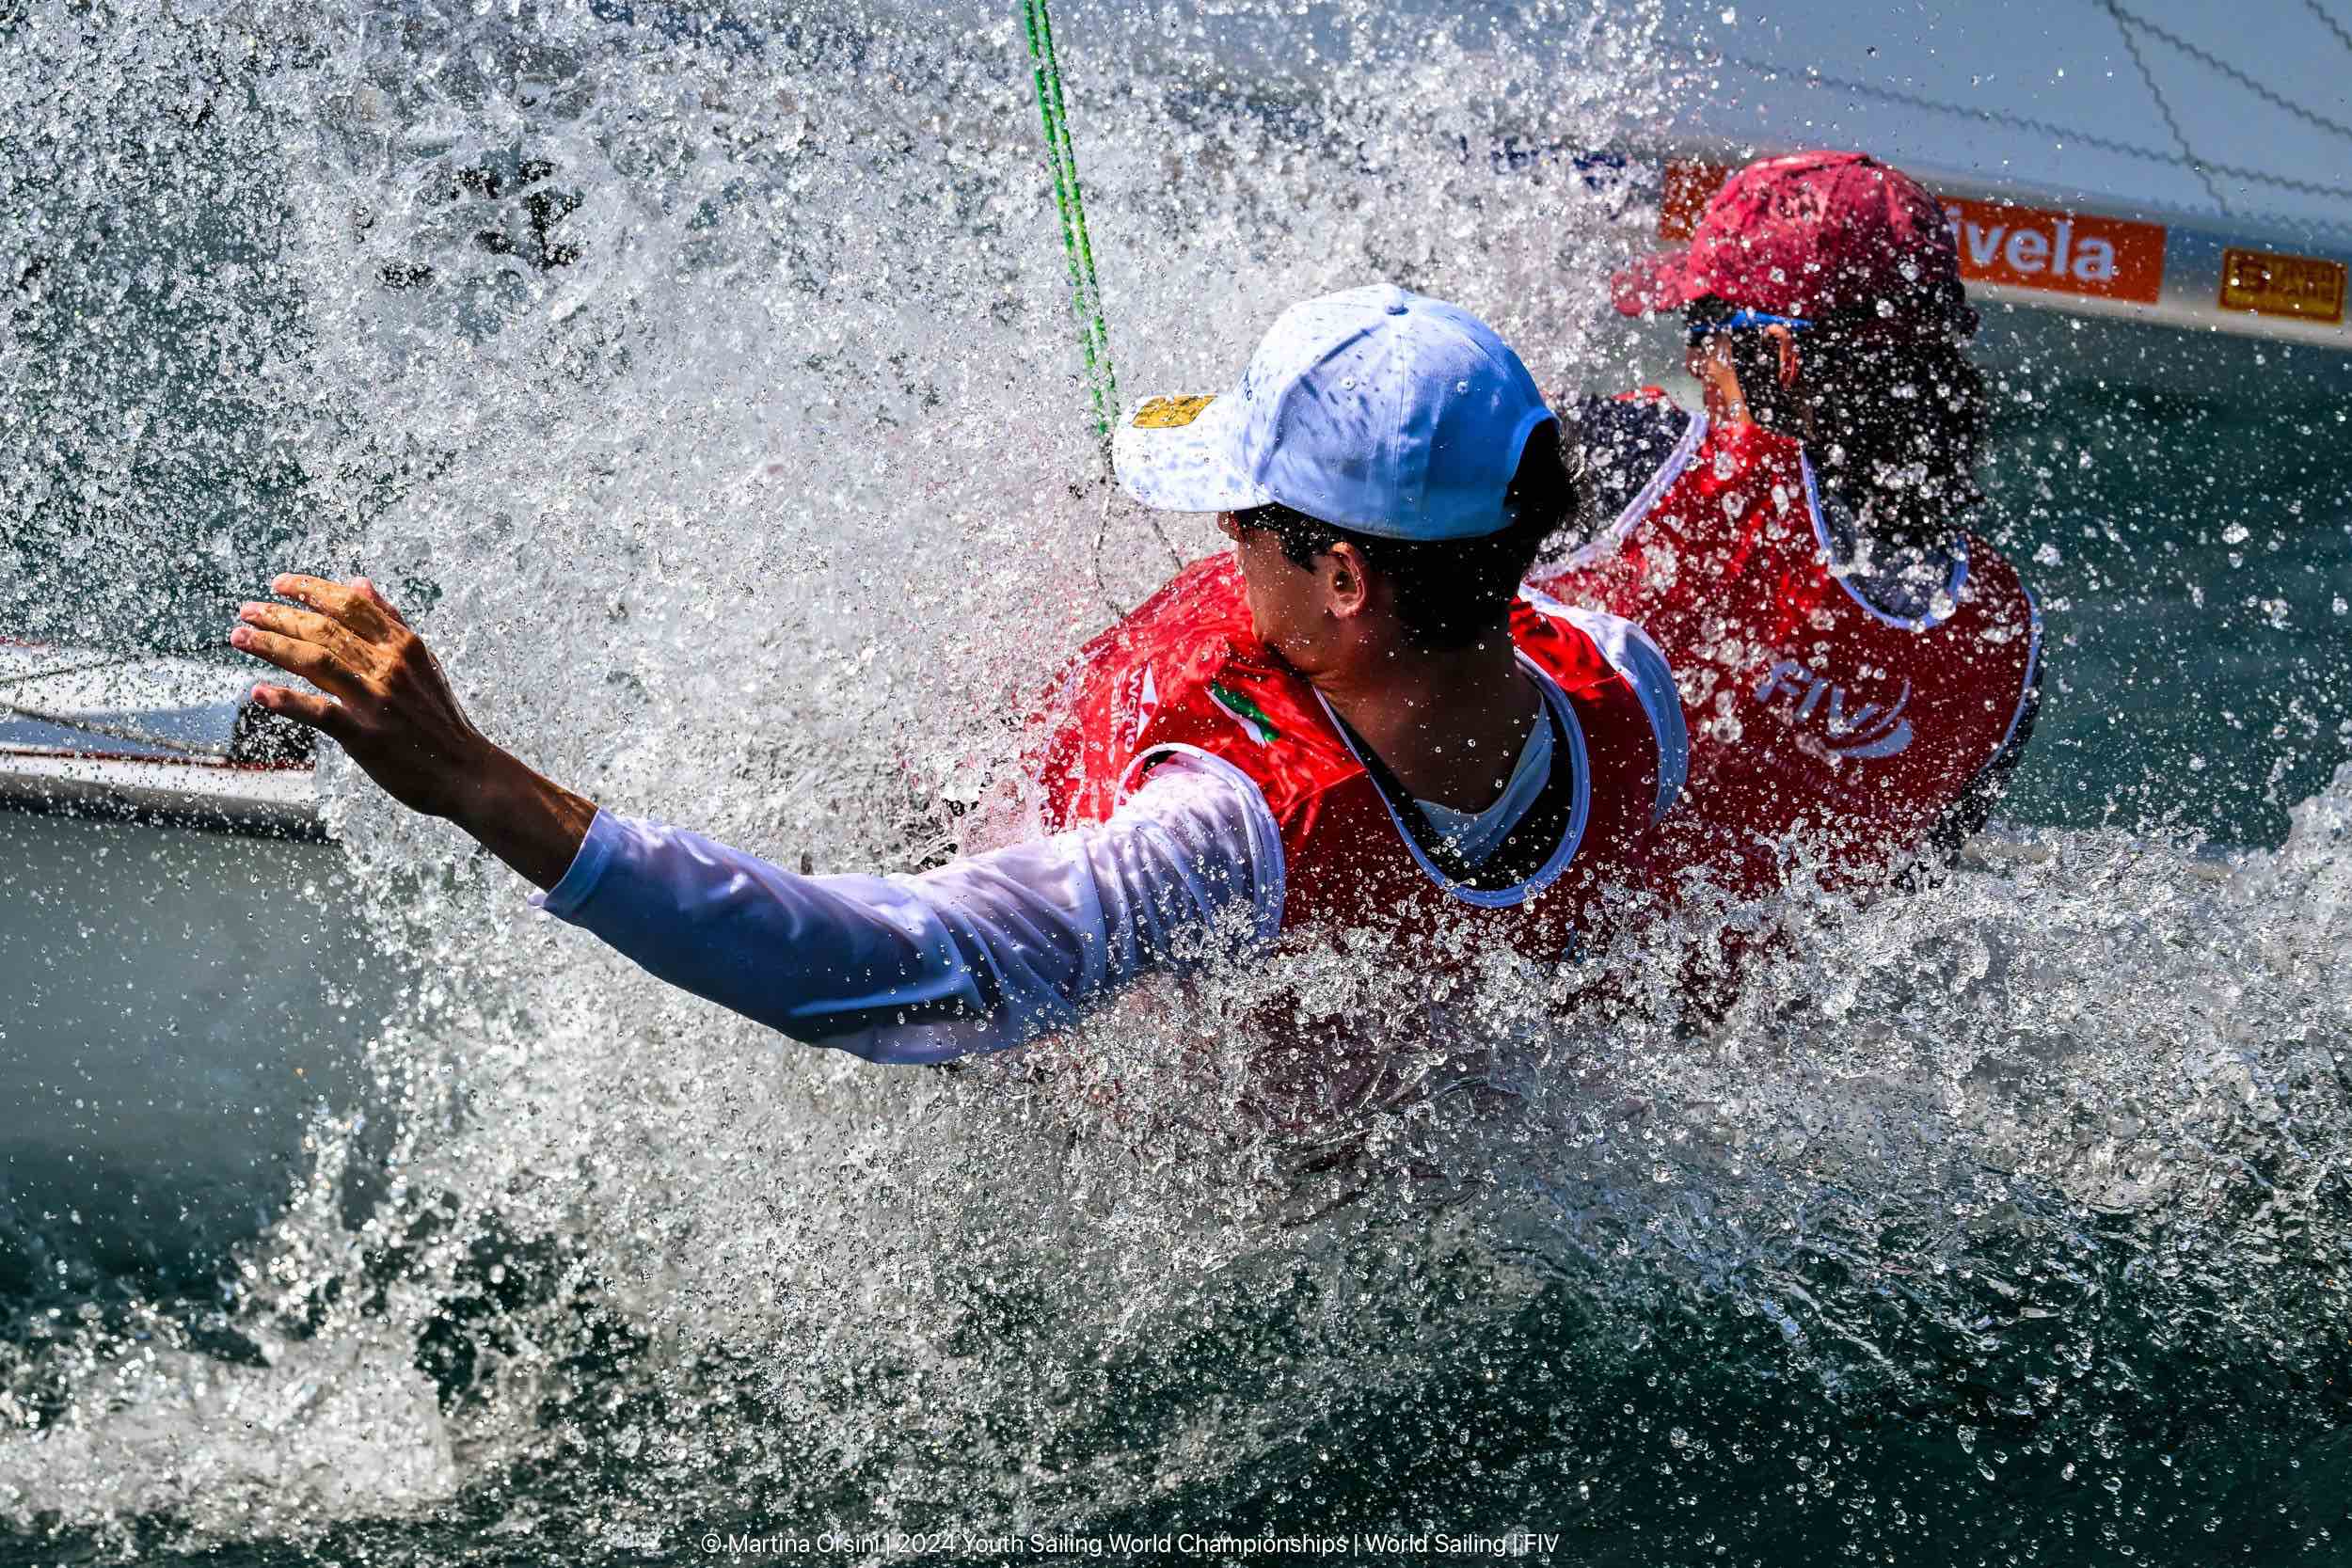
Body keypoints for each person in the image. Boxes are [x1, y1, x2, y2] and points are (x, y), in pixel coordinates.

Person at [230, 285, 1687, 1072]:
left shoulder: (1227, 835)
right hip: (974, 808)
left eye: (1244, 512)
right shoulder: (1627, 689)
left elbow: (878, 967)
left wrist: (476, 779)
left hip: (1054, 1035)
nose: (1221, 540)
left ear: (1350, 579)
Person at [1534, 151, 2042, 900]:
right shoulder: (2006, 639)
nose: (1689, 360)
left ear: (1779, 355)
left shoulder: (1637, 461)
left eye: (1701, 328)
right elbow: (1904, 901)